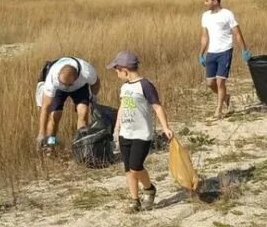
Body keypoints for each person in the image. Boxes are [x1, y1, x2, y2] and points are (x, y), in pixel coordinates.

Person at [108, 51, 173, 212]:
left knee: (136, 166)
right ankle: (134, 200)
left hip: (142, 134)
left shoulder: (145, 85)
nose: (116, 73)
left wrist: (165, 127)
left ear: (125, 70)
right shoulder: (124, 88)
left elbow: (157, 107)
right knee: (128, 169)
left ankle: (149, 189)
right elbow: (123, 107)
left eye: (117, 70)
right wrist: (117, 127)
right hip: (126, 133)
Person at [198, 0, 252, 118]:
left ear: (215, 1)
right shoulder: (205, 16)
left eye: (207, 0)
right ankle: (226, 97)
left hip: (225, 51)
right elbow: (205, 36)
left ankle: (219, 110)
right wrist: (201, 53)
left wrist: (244, 50)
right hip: (212, 52)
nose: (205, 3)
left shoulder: (227, 14)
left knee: (220, 82)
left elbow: (237, 33)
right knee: (210, 83)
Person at [36, 57, 101, 147]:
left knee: (83, 111)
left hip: (79, 87)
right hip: (59, 89)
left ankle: (81, 145)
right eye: (63, 83)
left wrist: (94, 97)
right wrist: (41, 132)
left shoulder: (87, 71)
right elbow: (45, 106)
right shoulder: (52, 77)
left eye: (68, 85)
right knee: (55, 115)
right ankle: (51, 144)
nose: (66, 87)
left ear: (76, 77)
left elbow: (96, 83)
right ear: (58, 75)